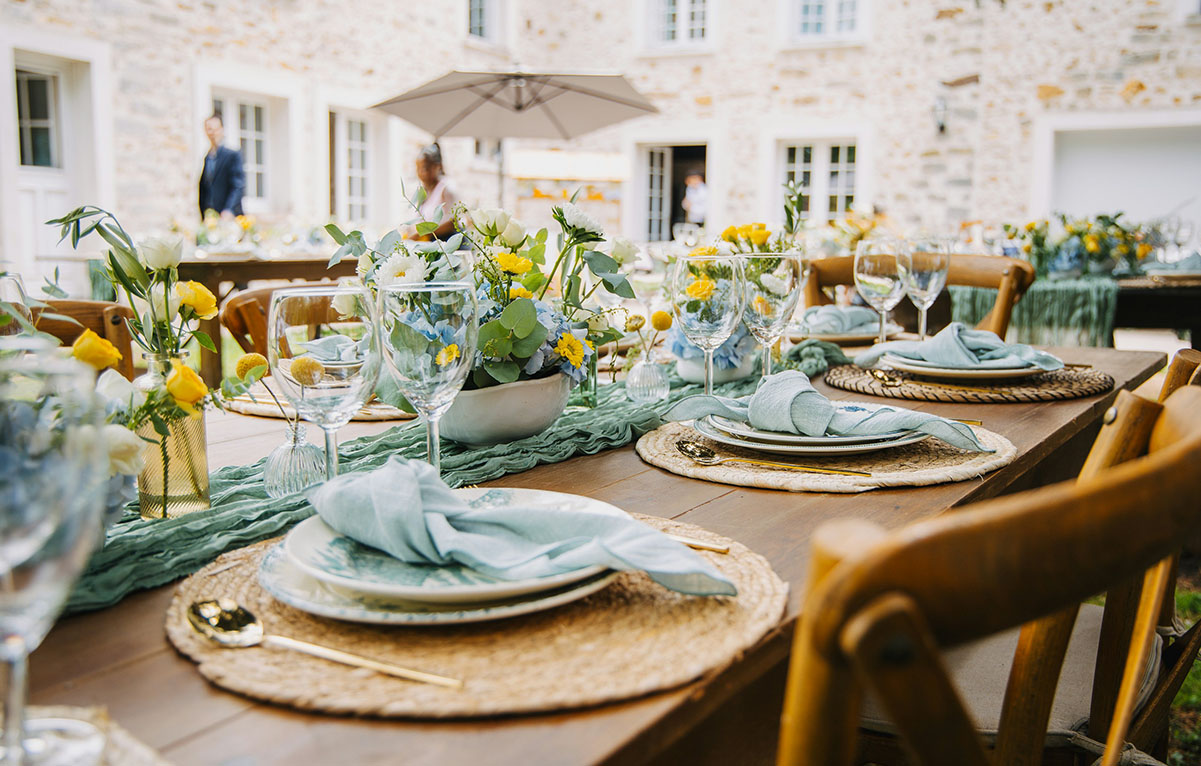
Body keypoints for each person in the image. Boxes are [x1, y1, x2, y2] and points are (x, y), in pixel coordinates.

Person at [198, 112, 245, 220]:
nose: (212, 132)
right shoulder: (208, 157)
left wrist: (229, 209)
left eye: (214, 129)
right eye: (208, 129)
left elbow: (238, 186)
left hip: (229, 216)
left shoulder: (232, 154)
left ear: (222, 129)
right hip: (211, 217)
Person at [407, 143, 459, 240]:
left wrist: (423, 233)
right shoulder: (423, 192)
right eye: (419, 168)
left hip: (447, 243)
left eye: (426, 168)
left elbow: (453, 223)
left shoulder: (446, 189)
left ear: (438, 167)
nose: (422, 173)